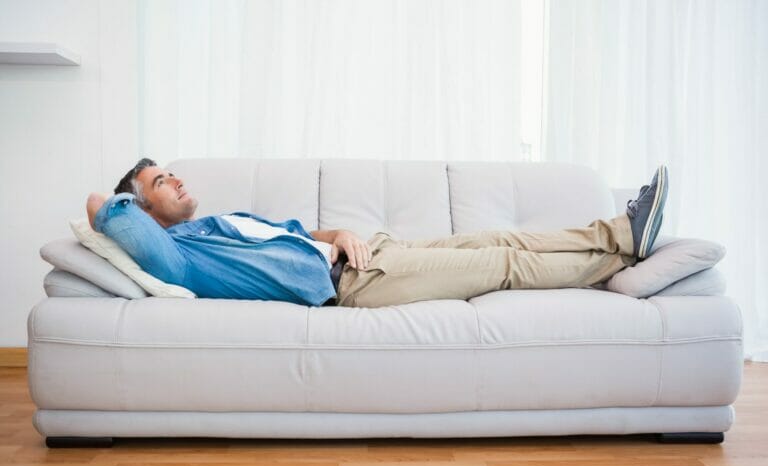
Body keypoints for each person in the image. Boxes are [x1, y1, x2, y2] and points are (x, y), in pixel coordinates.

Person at [87, 158, 668, 308]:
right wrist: (124, 200)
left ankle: (620, 230)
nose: (177, 179)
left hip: (372, 251)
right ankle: (618, 263)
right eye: (162, 181)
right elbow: (103, 210)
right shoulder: (180, 255)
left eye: (171, 171)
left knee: (504, 241)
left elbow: (308, 230)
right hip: (355, 284)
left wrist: (340, 232)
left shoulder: (222, 221)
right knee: (503, 268)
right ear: (145, 211)